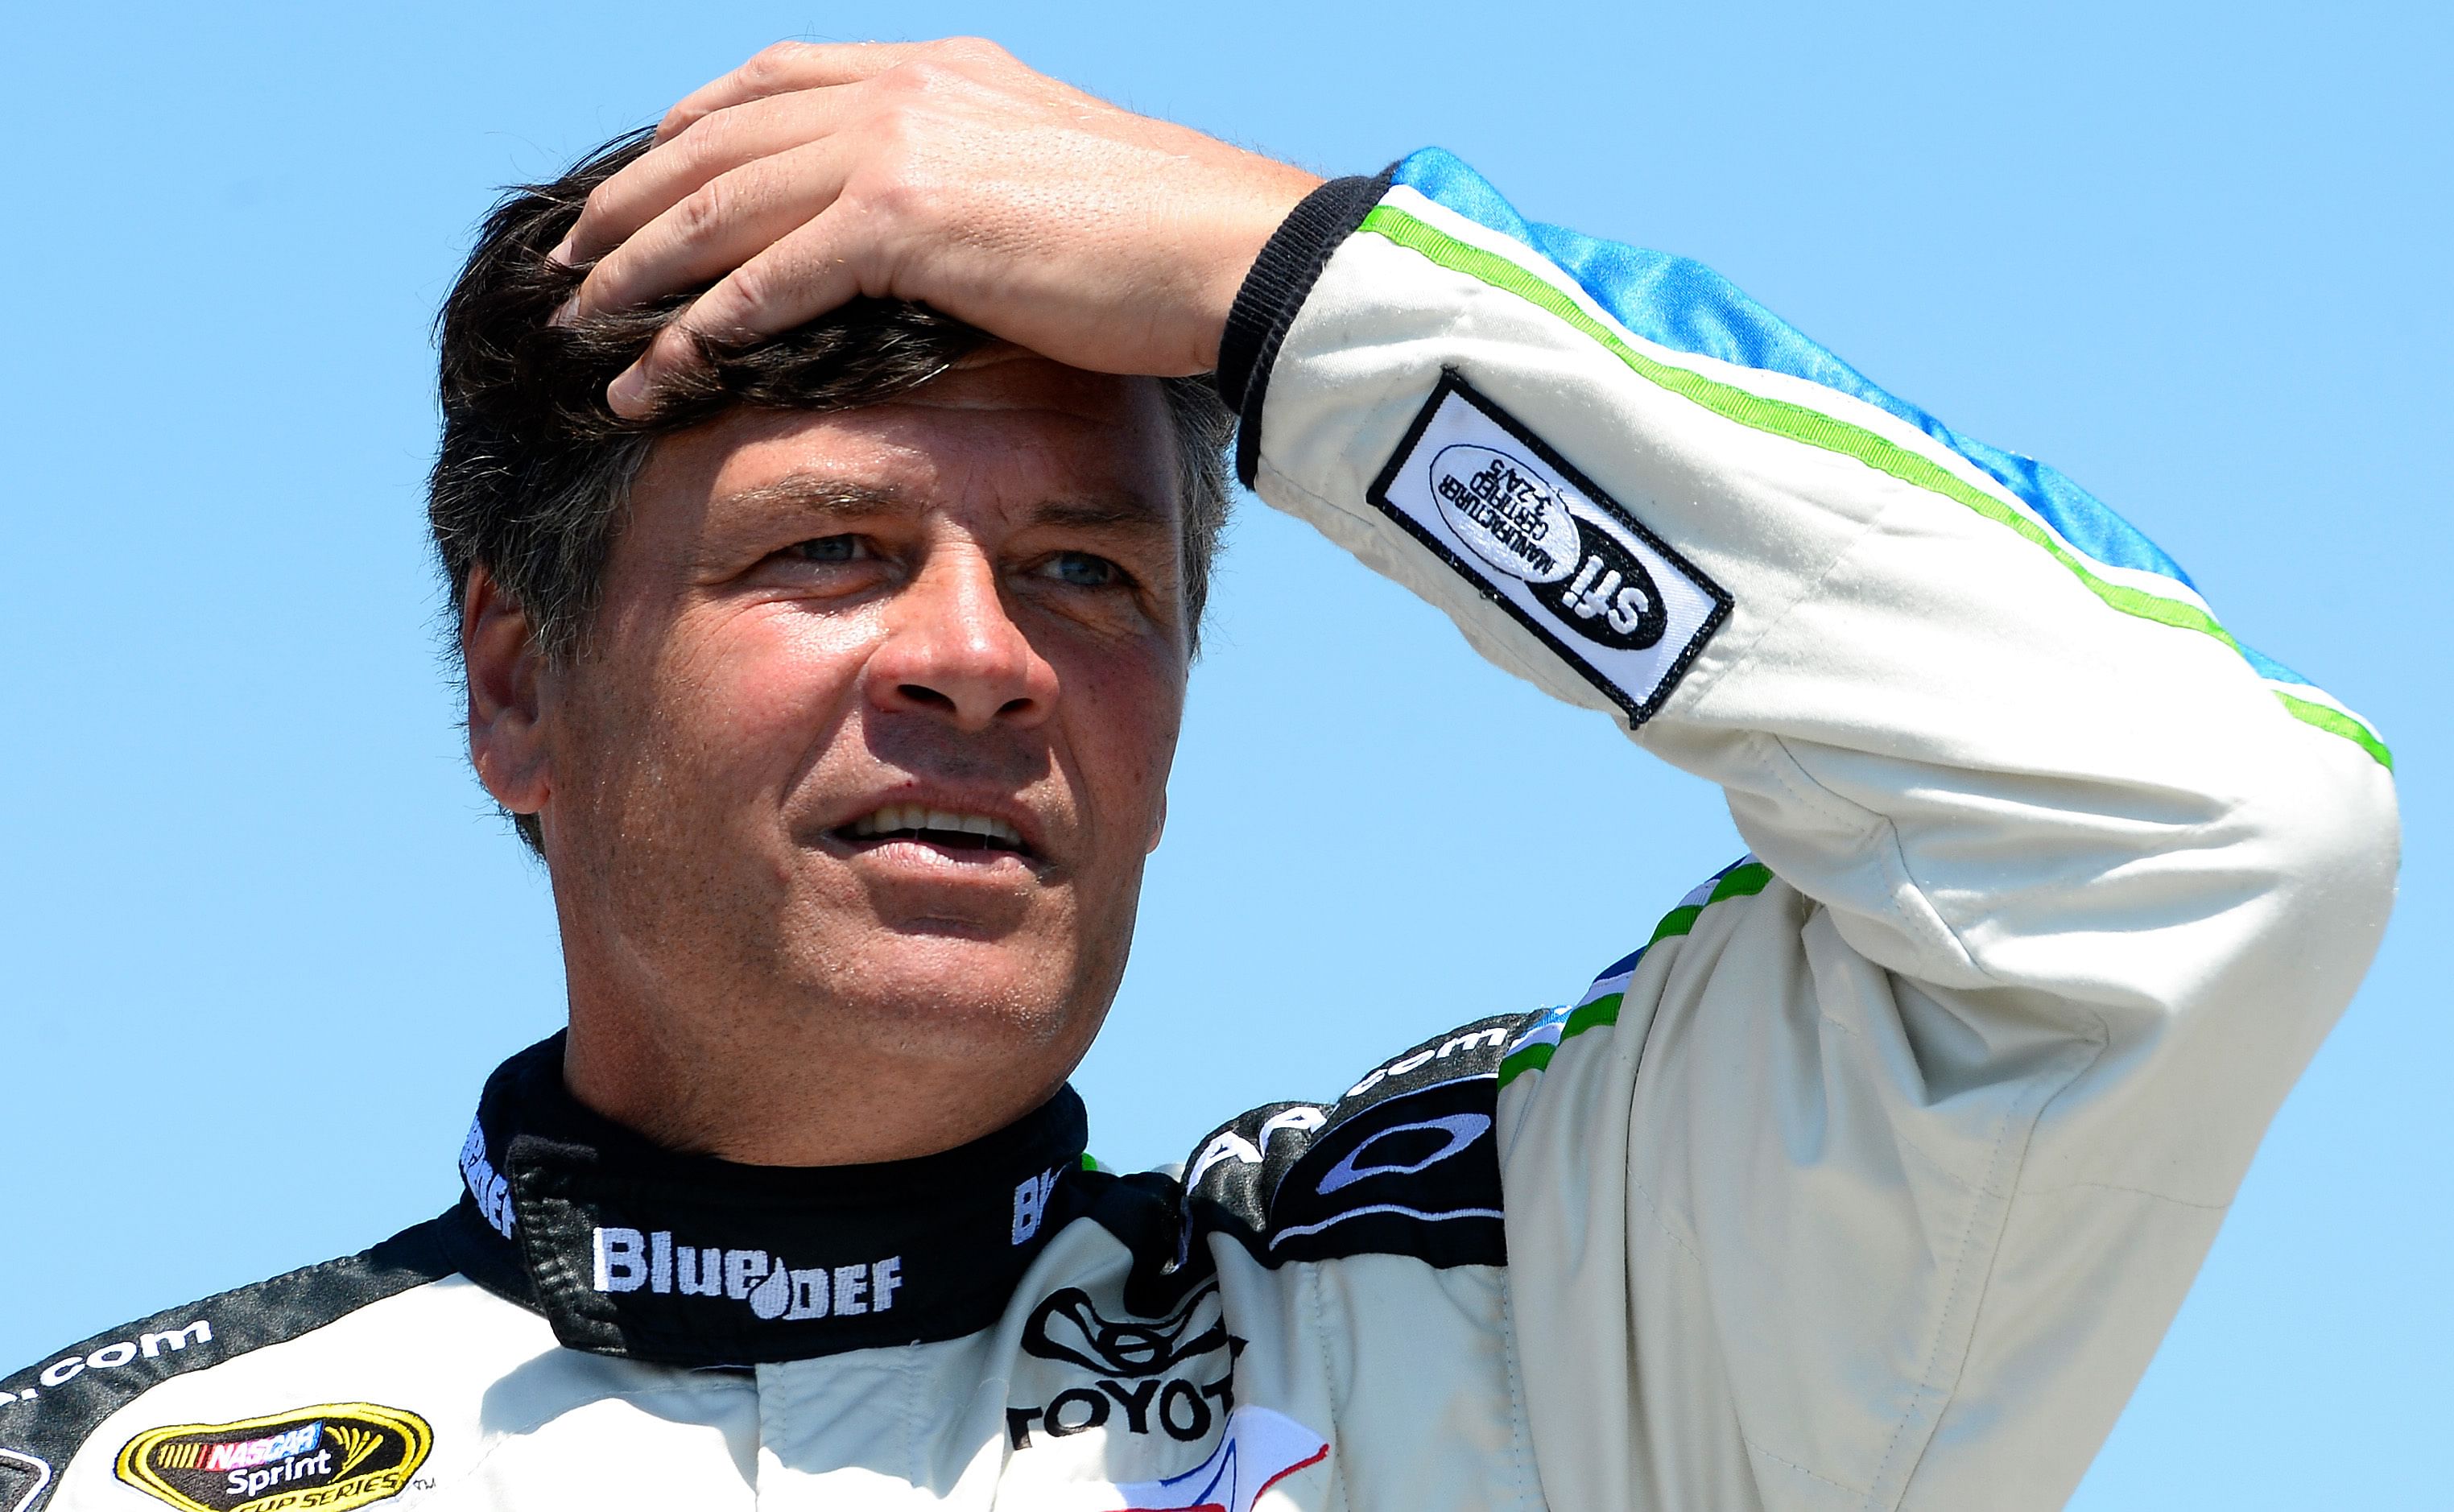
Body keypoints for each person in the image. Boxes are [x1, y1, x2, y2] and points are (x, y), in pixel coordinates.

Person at [0, 36, 2398, 1512]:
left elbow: (2205, 832)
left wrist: (1298, 290)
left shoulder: (1527, 1330)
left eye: (1090, 577)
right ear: (516, 686)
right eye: (832, 552)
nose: (983, 660)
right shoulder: (104, 1477)